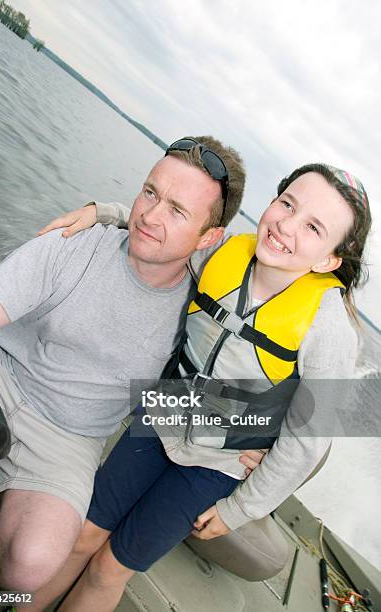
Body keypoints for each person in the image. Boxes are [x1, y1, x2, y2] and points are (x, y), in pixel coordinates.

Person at [35, 159, 371, 612]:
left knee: (109, 568)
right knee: (80, 537)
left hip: (218, 465)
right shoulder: (224, 251)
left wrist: (239, 510)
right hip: (162, 417)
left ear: (330, 258)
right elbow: (162, 235)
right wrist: (102, 213)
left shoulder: (331, 330)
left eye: (313, 227)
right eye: (287, 203)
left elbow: (308, 440)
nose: (286, 226)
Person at [0, 136, 248, 593]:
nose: (150, 216)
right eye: (150, 192)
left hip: (70, 437)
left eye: (177, 211)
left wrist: (259, 439)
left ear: (209, 239)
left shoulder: (204, 304)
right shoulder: (77, 242)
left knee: (29, 569)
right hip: (0, 374)